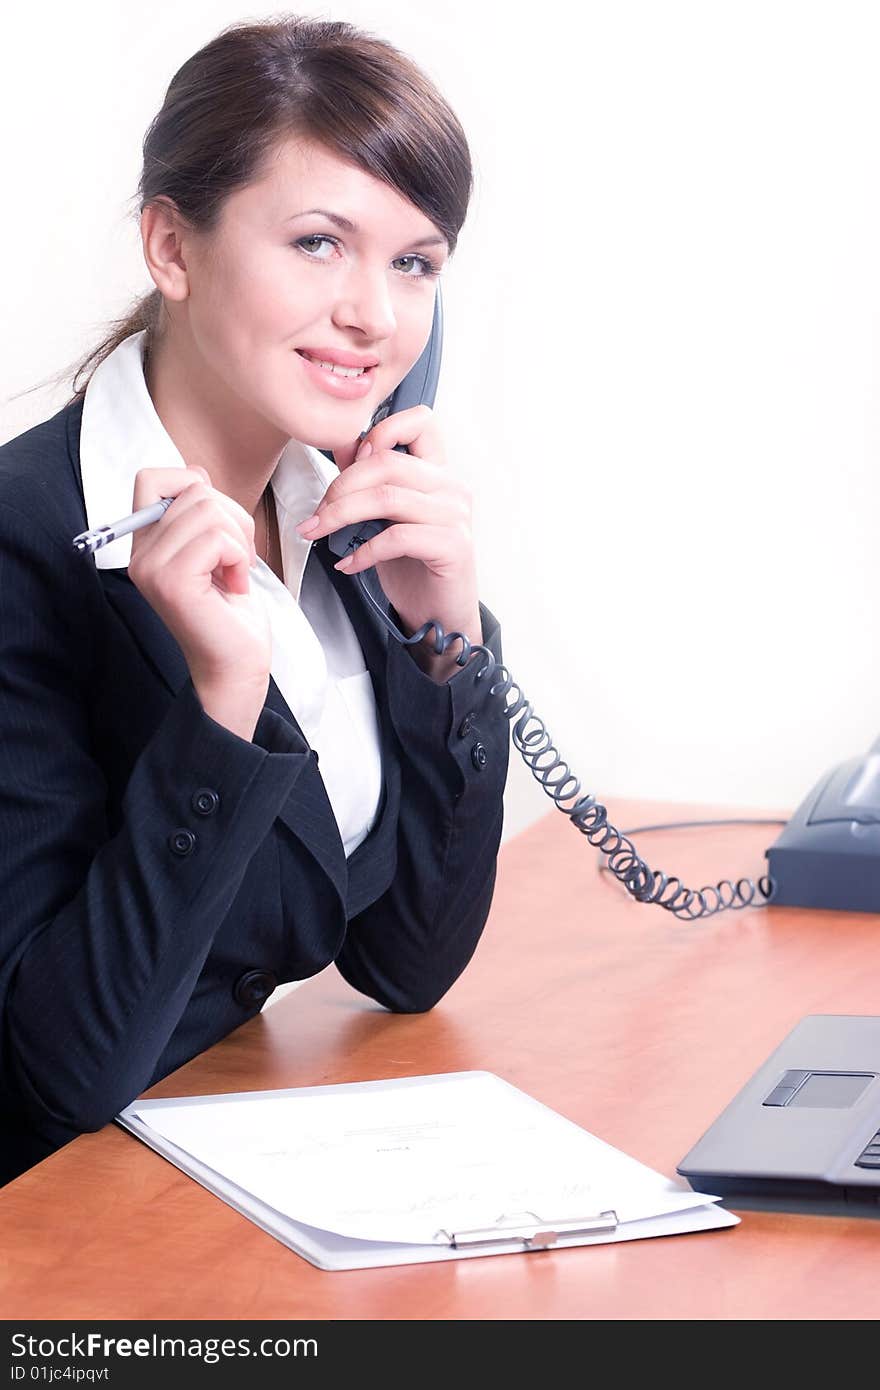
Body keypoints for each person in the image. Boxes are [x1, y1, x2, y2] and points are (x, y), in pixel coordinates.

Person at [0, 15, 509, 1187]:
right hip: (57, 1237)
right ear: (171, 246)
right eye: (320, 243)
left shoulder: (346, 522)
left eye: (414, 262)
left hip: (229, 1171)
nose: (375, 318)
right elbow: (60, 1076)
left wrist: (446, 639)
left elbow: (407, 961)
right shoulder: (27, 544)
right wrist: (221, 701)